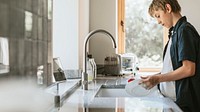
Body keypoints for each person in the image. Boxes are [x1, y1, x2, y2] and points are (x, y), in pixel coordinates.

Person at [139, 0, 200, 111]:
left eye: (158, 16)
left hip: (183, 106)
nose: (158, 22)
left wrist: (158, 79)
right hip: (174, 103)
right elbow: (173, 68)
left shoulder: (184, 30)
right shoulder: (175, 33)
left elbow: (188, 69)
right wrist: (153, 77)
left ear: (168, 8)